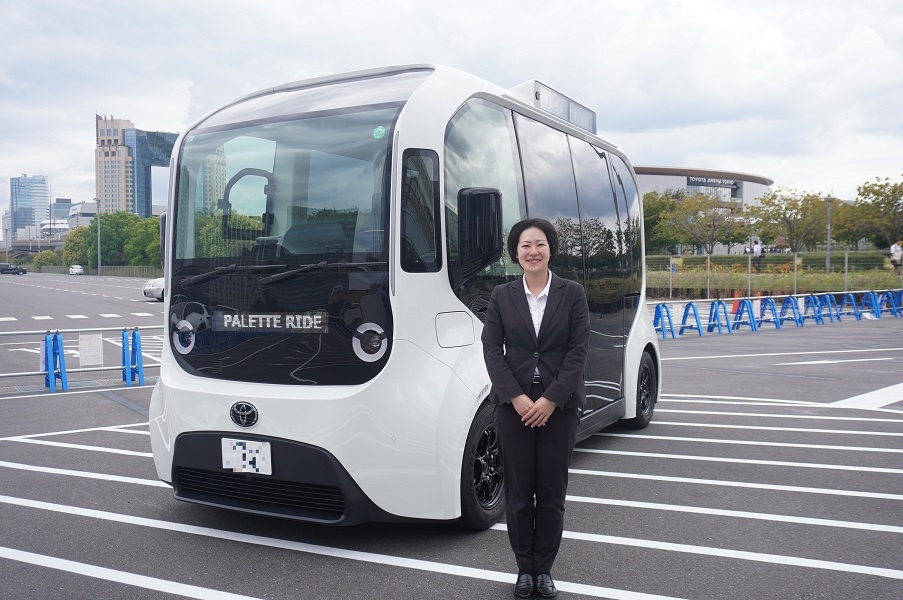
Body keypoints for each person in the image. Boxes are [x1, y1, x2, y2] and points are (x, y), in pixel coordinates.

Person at [481, 217, 590, 600]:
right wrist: (516, 396)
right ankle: (524, 570)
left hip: (559, 407)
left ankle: (544, 570)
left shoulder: (571, 293)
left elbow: (578, 351)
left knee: (551, 492)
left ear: (550, 250)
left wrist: (551, 399)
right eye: (525, 245)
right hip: (514, 407)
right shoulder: (502, 295)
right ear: (515, 253)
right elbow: (492, 349)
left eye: (540, 244)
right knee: (518, 492)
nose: (533, 251)